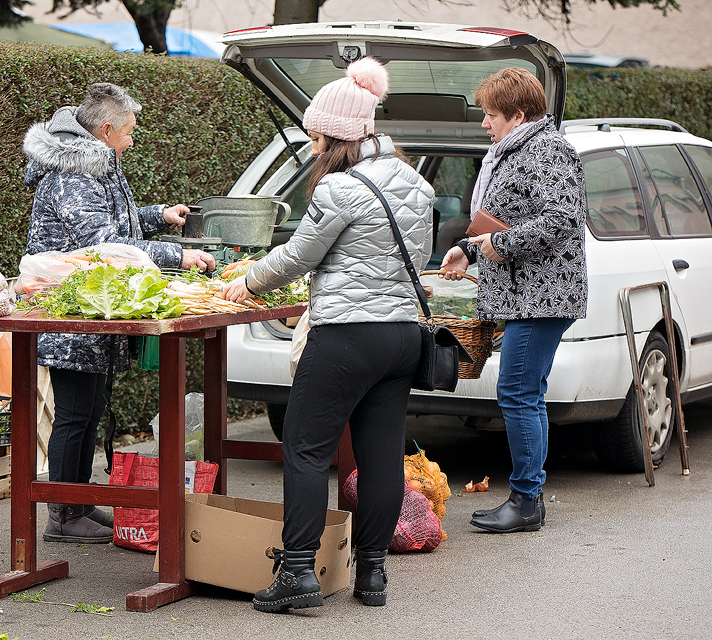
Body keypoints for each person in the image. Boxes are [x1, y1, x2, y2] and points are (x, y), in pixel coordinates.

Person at [222, 57, 434, 611]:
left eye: (317, 133)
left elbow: (298, 257)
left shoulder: (340, 188)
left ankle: (297, 574)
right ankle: (372, 576)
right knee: (381, 456)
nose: (313, 143)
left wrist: (247, 281)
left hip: (346, 338)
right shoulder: (416, 184)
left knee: (305, 449)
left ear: (337, 134)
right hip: (402, 337)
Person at [22, 83, 216, 544]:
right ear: (106, 130)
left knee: (89, 412)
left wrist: (157, 215)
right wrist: (176, 256)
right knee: (73, 415)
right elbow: (104, 244)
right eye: (128, 132)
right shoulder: (73, 174)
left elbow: (115, 225)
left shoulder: (94, 165)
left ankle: (78, 504)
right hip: (70, 314)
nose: (132, 140)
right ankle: (63, 516)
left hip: (93, 315)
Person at [438, 67, 588, 533]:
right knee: (528, 393)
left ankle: (526, 501)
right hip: (527, 294)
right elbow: (507, 214)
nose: (485, 124)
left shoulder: (550, 150)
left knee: (518, 393)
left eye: (491, 115)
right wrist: (467, 248)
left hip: (543, 297)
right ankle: (528, 497)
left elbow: (563, 219)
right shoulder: (516, 150)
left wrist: (497, 247)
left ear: (518, 115)